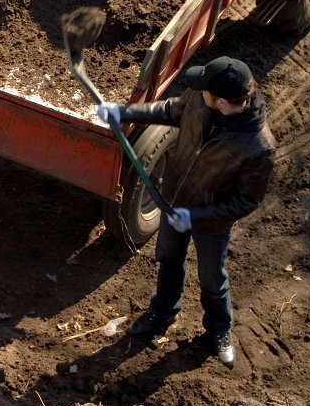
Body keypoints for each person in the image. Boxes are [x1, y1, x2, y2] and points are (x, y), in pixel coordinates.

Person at [95, 56, 276, 368]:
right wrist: (123, 112)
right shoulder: (199, 97)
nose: (196, 89)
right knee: (168, 260)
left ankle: (219, 331)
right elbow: (168, 110)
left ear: (220, 100)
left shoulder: (258, 147)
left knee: (212, 278)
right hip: (173, 201)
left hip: (212, 221)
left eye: (203, 89)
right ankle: (162, 311)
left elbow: (246, 201)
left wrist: (196, 218)